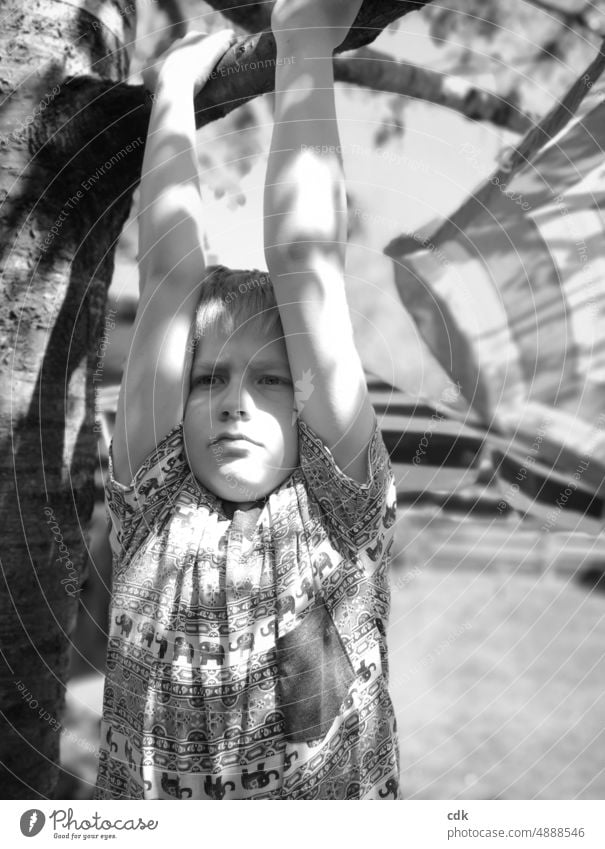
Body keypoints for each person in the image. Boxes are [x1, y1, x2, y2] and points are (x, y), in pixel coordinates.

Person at [95, 0, 400, 800]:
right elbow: (169, 282)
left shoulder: (337, 502)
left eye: (271, 379)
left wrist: (302, 40)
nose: (234, 401)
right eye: (208, 377)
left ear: (307, 405)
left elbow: (308, 263)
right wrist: (172, 87)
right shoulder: (153, 496)